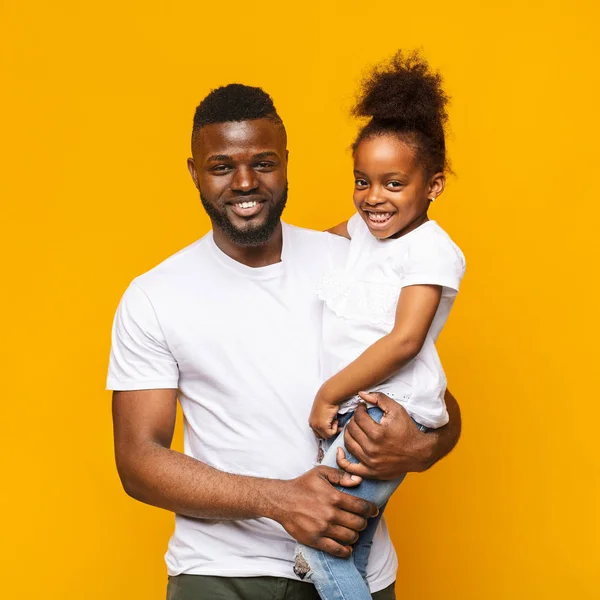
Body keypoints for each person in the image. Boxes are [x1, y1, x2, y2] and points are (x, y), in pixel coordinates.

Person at [107, 82, 462, 600]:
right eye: (223, 166)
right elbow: (138, 460)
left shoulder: (352, 259)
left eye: (265, 163)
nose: (245, 182)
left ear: (288, 163)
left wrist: (420, 446)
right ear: (194, 172)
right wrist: (279, 501)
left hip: (360, 572)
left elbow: (432, 399)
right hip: (222, 576)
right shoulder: (154, 297)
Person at [293, 51, 465, 600]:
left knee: (321, 547)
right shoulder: (365, 232)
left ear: (433, 185)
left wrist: (329, 393)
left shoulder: (432, 251)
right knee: (350, 550)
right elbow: (310, 247)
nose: (373, 197)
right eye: (362, 181)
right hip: (358, 404)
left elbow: (406, 340)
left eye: (393, 183)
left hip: (382, 411)